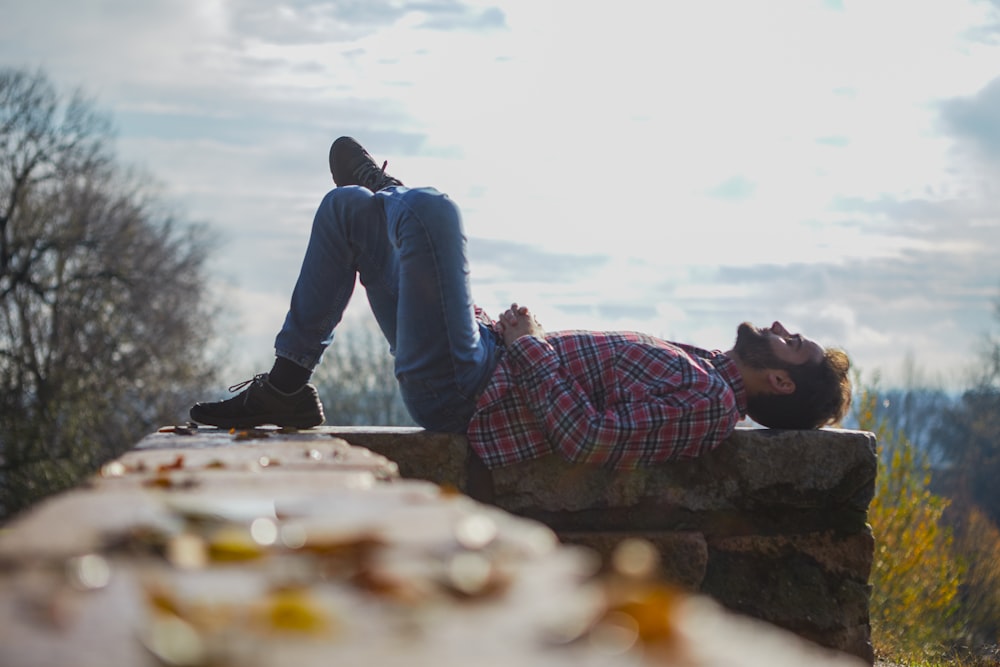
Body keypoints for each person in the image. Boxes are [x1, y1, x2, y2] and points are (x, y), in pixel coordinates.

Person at [190, 137, 852, 471]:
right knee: (344, 212)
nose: (782, 328)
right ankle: (284, 388)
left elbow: (589, 439)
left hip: (468, 389)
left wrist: (532, 345)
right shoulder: (705, 367)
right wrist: (515, 340)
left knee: (432, 210)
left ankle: (389, 187)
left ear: (781, 379)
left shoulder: (708, 407)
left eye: (794, 341)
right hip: (476, 356)